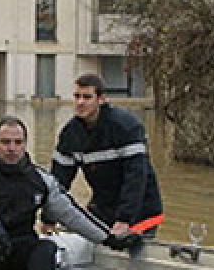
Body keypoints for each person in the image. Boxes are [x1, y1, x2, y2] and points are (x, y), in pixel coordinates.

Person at [0, 116, 143, 270]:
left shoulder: (40, 178)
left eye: (18, 142)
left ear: (25, 144)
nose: (12, 149)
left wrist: (109, 238)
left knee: (46, 248)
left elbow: (71, 214)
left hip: (17, 248)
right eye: (5, 142)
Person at [50, 74, 165, 236]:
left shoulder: (126, 127)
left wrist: (124, 219)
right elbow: (58, 181)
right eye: (77, 97)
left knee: (128, 249)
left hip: (141, 210)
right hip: (103, 206)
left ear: (101, 99)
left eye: (87, 97)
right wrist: (49, 218)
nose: (80, 102)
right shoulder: (70, 134)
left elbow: (136, 177)